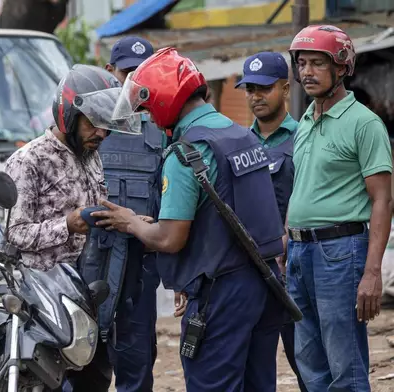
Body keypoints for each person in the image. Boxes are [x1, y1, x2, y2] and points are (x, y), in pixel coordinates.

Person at [91, 47, 287, 391]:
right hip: (265, 285)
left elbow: (170, 238)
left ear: (166, 100)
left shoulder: (186, 154)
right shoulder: (242, 136)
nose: (147, 114)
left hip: (221, 293)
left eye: (149, 105)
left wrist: (130, 222)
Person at [4, 64, 142, 391]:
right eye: (94, 124)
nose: (102, 134)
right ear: (68, 113)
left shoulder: (90, 155)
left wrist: (130, 220)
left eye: (107, 126)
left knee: (94, 379)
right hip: (43, 301)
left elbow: (96, 210)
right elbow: (14, 233)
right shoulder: (28, 160)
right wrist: (66, 224)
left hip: (87, 295)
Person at [285, 25, 392, 391]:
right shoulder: (304, 122)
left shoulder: (365, 124)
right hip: (300, 251)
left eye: (317, 63)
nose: (307, 72)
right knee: (310, 363)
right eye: (302, 63)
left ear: (342, 67)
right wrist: (289, 242)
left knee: (344, 363)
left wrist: (372, 272)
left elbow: (383, 199)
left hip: (340, 254)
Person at [234, 51, 307, 391]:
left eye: (264, 88)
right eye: (249, 88)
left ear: (285, 88)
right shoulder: (237, 143)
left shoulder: (305, 138)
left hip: (296, 270)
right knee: (254, 370)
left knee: (308, 363)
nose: (255, 96)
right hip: (249, 274)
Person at [100, 36, 161, 392]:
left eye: (143, 74)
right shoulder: (90, 128)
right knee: (82, 359)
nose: (136, 83)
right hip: (93, 262)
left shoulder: (163, 132)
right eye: (128, 73)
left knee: (136, 360)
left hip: (141, 267)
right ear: (111, 72)